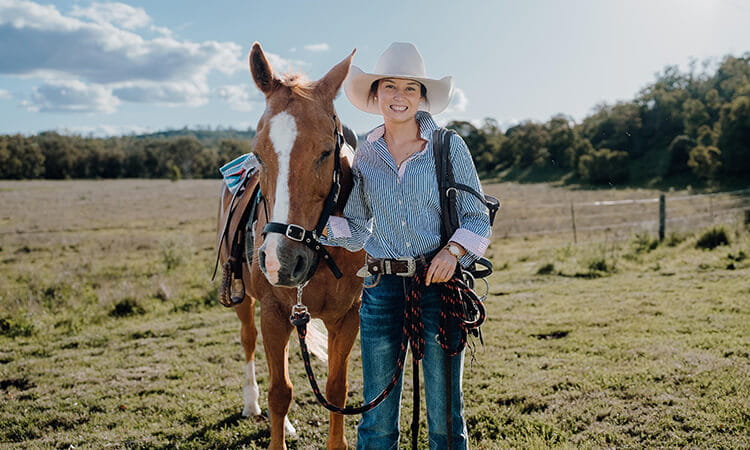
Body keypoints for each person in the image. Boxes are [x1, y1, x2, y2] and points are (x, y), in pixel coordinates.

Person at [320, 42, 491, 450]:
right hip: (380, 290)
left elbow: (477, 217)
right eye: (390, 87)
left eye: (410, 88)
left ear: (421, 96)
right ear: (376, 94)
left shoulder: (448, 147)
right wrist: (315, 227)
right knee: (376, 420)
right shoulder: (365, 156)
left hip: (438, 287)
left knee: (445, 418)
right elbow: (359, 228)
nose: (399, 97)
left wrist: (452, 253)